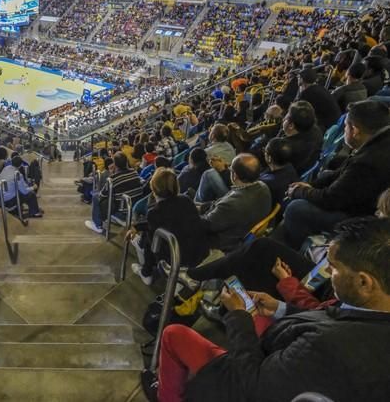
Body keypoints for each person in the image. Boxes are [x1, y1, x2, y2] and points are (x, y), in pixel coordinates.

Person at [153, 216, 390, 402]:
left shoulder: (332, 347)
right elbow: (327, 316)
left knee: (173, 334)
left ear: (364, 282)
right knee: (257, 312)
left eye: (334, 267)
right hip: (286, 352)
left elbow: (253, 388)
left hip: (252, 380)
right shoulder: (368, 309)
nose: (328, 272)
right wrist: (279, 308)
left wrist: (238, 317)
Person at [284, 99, 390, 248]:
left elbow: (330, 199)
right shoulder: (380, 141)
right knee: (326, 173)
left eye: (345, 126)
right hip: (361, 196)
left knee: (296, 208)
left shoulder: (367, 163)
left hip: (359, 216)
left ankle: (295, 250)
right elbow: (344, 171)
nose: (344, 129)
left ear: (355, 131)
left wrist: (300, 191)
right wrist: (310, 185)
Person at [128, 168, 209, 285]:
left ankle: (146, 273)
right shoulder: (186, 200)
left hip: (178, 262)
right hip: (200, 253)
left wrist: (142, 231)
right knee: (149, 231)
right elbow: (169, 219)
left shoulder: (154, 212)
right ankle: (144, 262)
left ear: (154, 189)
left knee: (148, 237)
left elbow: (154, 246)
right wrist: (138, 227)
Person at [201, 153, 272, 252]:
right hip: (242, 228)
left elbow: (205, 225)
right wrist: (201, 207)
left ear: (234, 176)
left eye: (230, 169)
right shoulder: (263, 186)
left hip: (223, 243)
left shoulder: (231, 205)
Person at [85, 152, 144, 234]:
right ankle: (120, 218)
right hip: (133, 209)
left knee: (95, 196)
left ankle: (98, 225)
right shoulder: (134, 172)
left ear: (115, 165)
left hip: (121, 210)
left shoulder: (113, 179)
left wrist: (112, 175)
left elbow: (102, 195)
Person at [279, 100, 323, 175]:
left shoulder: (284, 149)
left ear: (291, 125)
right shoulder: (316, 130)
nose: (283, 118)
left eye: (286, 115)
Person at [259, 137, 299, 207]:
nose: (264, 153)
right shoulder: (290, 166)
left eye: (265, 151)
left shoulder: (265, 183)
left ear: (269, 158)